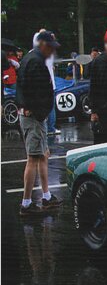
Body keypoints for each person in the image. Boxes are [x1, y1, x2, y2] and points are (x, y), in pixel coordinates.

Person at [15, 31, 63, 216]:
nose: (52, 50)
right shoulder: (35, 61)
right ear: (42, 44)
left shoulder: (31, 58)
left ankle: (46, 196)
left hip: (34, 116)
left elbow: (24, 86)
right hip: (34, 117)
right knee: (34, 158)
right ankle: (26, 204)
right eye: (50, 46)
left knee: (43, 154)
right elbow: (32, 89)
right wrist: (33, 109)